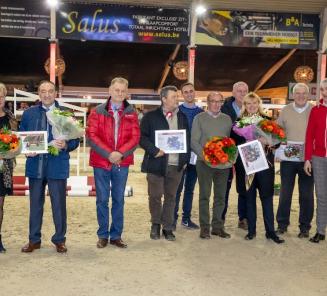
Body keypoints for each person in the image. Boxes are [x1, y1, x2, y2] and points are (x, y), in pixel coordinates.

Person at [20, 80, 80, 253]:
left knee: (59, 205)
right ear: (39, 94)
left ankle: (59, 240)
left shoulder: (66, 113)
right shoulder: (29, 114)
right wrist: (26, 150)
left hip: (57, 166)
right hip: (35, 165)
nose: (47, 94)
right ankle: (34, 240)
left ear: (56, 93)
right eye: (43, 91)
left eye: (50, 91)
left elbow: (76, 139)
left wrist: (66, 145)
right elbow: (23, 137)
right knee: (35, 205)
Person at [86, 77, 140, 249]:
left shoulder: (132, 113)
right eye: (116, 90)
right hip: (101, 162)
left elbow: (135, 137)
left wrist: (120, 154)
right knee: (102, 200)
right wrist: (109, 154)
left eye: (123, 91)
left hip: (121, 163)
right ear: (109, 91)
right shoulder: (97, 111)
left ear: (127, 93)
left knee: (118, 200)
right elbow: (92, 136)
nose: (119, 93)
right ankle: (102, 235)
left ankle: (116, 235)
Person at [140, 85, 190, 241]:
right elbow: (142, 138)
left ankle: (168, 227)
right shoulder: (150, 117)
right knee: (155, 196)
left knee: (171, 197)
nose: (177, 99)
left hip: (176, 166)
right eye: (174, 97)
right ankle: (155, 224)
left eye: (177, 96)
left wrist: (185, 160)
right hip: (156, 164)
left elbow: (186, 139)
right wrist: (155, 150)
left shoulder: (182, 117)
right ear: (164, 99)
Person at [233, 92, 284, 244]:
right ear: (245, 105)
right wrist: (250, 140)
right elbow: (235, 143)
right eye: (249, 103)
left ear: (259, 104)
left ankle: (270, 232)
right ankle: (251, 231)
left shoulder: (267, 120)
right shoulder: (239, 122)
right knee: (249, 198)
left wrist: (267, 140)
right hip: (248, 166)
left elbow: (278, 141)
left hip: (265, 166)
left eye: (254, 103)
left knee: (267, 197)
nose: (252, 106)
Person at [191, 92, 232, 239]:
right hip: (205, 164)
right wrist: (207, 157)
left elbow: (229, 143)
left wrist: (230, 158)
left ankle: (217, 227)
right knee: (204, 196)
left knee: (221, 197)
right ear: (207, 102)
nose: (216, 104)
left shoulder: (227, 120)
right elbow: (194, 141)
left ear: (222, 102)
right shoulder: (199, 118)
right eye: (213, 101)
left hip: (223, 166)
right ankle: (204, 228)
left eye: (219, 101)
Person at [276, 83, 314, 238]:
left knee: (306, 194)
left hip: (308, 160)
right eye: (297, 93)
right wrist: (278, 150)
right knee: (285, 193)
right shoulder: (285, 110)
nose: (300, 96)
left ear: (308, 95)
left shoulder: (314, 110)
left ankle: (304, 227)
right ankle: (282, 224)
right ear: (293, 94)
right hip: (288, 159)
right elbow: (278, 132)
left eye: (303, 93)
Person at [174, 82, 203, 230]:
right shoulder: (177, 111)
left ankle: (186, 218)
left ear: (195, 92)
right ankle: (173, 218)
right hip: (180, 156)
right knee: (177, 188)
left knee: (190, 188)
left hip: (195, 156)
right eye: (186, 92)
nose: (189, 94)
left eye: (191, 91)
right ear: (182, 94)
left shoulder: (201, 112)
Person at [221, 81, 248, 229]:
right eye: (239, 91)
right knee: (224, 185)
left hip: (246, 151)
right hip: (228, 150)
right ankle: (221, 217)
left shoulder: (252, 107)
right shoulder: (224, 108)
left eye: (245, 91)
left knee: (244, 185)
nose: (242, 94)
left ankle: (243, 217)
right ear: (233, 93)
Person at [304, 78, 327, 243]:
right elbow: (309, 135)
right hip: (318, 158)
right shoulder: (316, 110)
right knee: (321, 196)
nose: (325, 93)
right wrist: (307, 159)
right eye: (323, 90)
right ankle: (320, 230)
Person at [0, 83, 18, 253]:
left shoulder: (10, 117)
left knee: (0, 205)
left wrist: (7, 152)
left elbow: (15, 143)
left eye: (1, 96)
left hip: (3, 167)